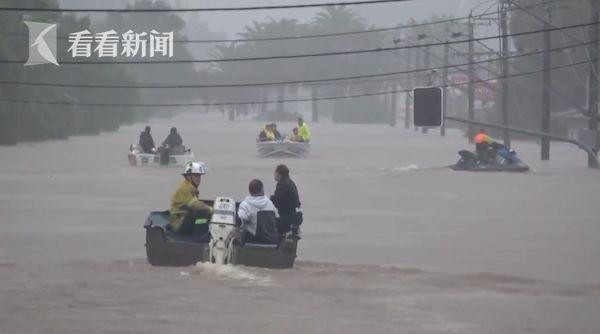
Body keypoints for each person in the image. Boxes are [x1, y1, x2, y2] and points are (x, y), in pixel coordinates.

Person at [169, 162, 213, 236]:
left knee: (204, 211)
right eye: (196, 176)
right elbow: (195, 205)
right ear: (188, 176)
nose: (198, 179)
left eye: (199, 176)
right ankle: (198, 237)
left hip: (183, 219)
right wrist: (211, 210)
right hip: (179, 224)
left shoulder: (190, 187)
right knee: (203, 212)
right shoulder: (185, 189)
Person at [237, 179, 279, 244]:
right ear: (262, 189)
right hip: (273, 240)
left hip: (255, 240)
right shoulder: (270, 203)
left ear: (250, 191)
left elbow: (240, 220)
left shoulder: (245, 205)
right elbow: (276, 218)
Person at [270, 164, 301, 234]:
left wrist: (271, 199)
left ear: (279, 174)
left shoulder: (281, 185)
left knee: (268, 224)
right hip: (294, 218)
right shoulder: (291, 183)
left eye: (275, 173)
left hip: (286, 219)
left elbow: (278, 201)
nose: (274, 175)